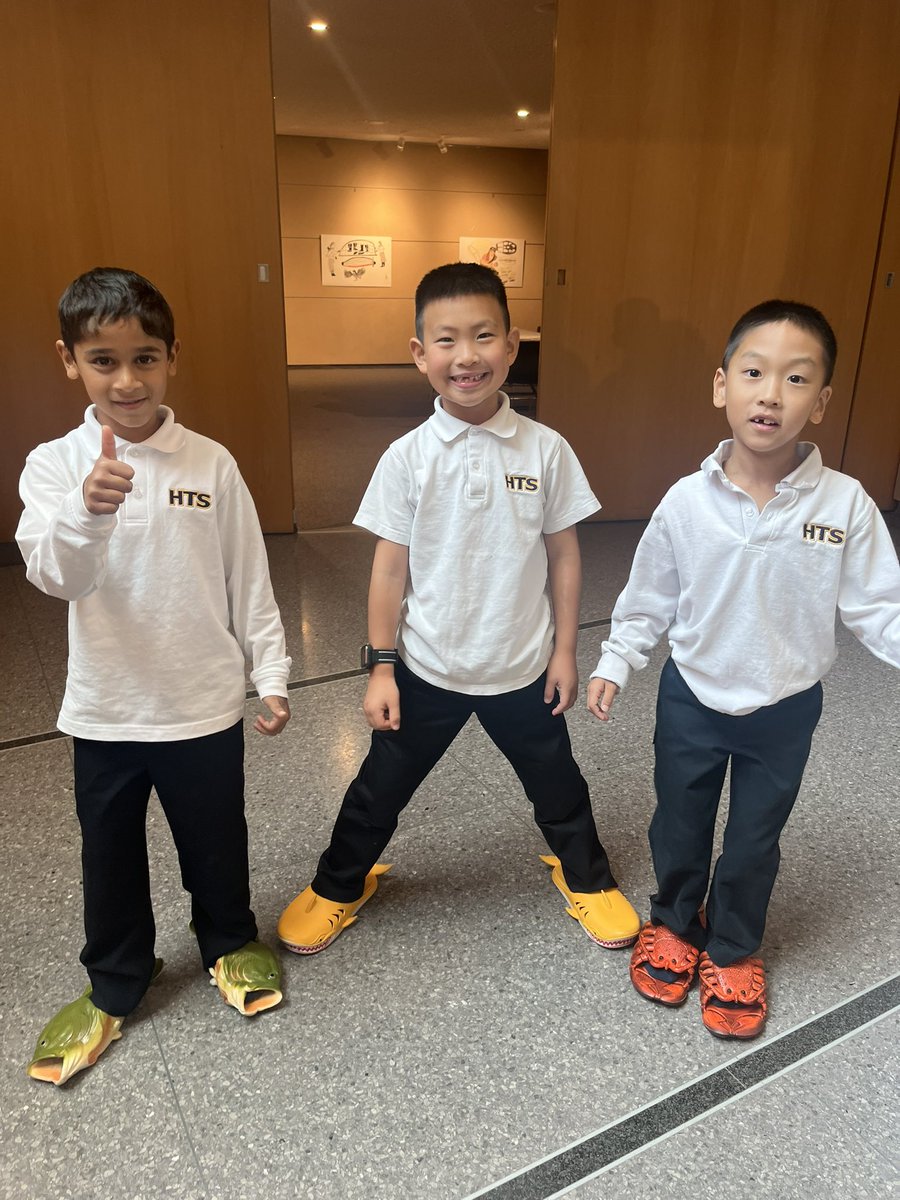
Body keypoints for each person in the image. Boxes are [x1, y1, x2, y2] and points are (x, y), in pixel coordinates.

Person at [279, 262, 639, 956]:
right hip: (427, 666)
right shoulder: (407, 457)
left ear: (510, 345)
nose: (466, 356)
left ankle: (587, 878)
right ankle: (339, 884)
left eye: (483, 337)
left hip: (522, 668)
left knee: (559, 787)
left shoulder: (547, 449)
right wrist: (381, 667)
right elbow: (389, 568)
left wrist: (565, 651)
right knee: (377, 790)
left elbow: (564, 556)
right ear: (420, 355)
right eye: (446, 340)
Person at [587, 299, 900, 1039]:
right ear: (721, 386)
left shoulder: (844, 504)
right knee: (681, 822)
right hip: (690, 697)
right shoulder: (686, 502)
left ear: (819, 403)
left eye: (796, 380)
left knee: (756, 837)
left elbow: (878, 606)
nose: (771, 394)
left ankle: (733, 946)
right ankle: (673, 920)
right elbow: (647, 598)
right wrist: (616, 660)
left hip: (786, 708)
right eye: (754, 373)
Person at [17, 268, 292, 1085]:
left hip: (202, 703)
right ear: (69, 361)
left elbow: (249, 577)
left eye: (145, 359)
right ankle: (114, 981)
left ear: (173, 358)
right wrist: (86, 510)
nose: (126, 380)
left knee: (216, 837)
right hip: (105, 709)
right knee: (107, 852)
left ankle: (229, 941)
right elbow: (52, 575)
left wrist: (270, 671)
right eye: (103, 361)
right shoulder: (55, 464)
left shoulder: (209, 462)